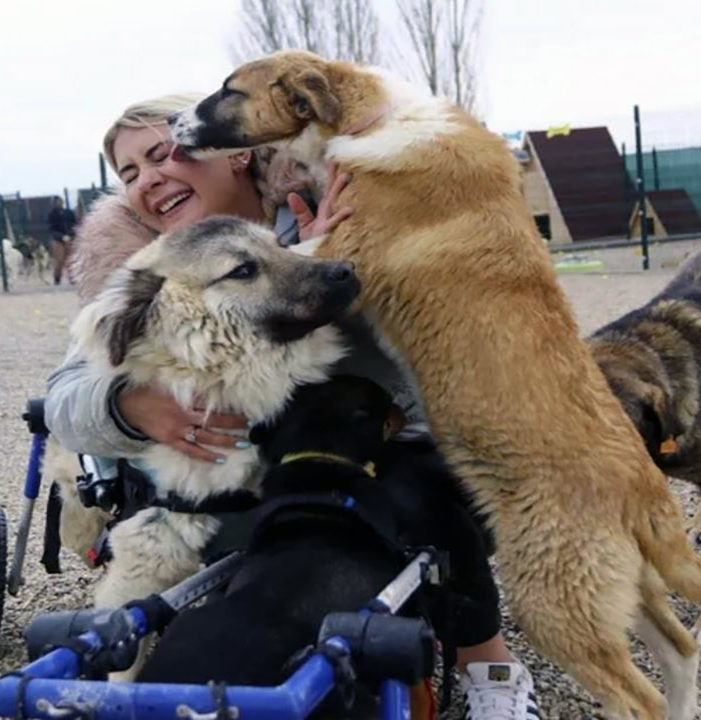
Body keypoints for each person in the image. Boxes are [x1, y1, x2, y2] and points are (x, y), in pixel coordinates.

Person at [44, 93, 541, 720]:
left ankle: (487, 660)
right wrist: (132, 405)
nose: (148, 179)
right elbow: (64, 396)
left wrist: (328, 283)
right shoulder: (141, 269)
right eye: (129, 173)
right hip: (221, 495)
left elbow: (432, 360)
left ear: (232, 154)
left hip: (358, 462)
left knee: (426, 487)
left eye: (162, 153)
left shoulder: (347, 208)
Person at [46, 196, 78, 285]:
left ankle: (72, 277)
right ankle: (57, 278)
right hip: (58, 239)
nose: (59, 203)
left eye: (60, 201)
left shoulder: (69, 213)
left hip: (70, 238)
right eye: (57, 202)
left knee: (71, 259)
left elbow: (74, 224)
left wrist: (71, 234)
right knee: (59, 260)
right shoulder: (52, 215)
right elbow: (51, 228)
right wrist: (61, 236)